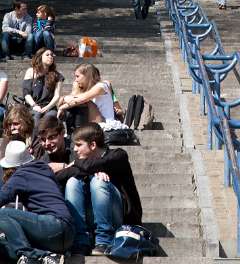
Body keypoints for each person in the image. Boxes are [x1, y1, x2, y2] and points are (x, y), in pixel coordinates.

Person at [57, 123, 142, 256]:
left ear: (92, 145)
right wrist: (88, 171)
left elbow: (98, 164)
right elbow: (60, 176)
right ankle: (81, 241)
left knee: (98, 181)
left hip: (118, 218)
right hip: (89, 217)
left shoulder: (118, 156)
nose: (74, 149)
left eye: (79, 145)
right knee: (73, 182)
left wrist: (78, 165)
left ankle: (104, 240)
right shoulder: (84, 162)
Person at [0, 140, 74, 264]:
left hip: (52, 226)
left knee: (3, 214)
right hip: (67, 235)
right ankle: (47, 257)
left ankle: (30, 255)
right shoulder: (45, 169)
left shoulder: (21, 175)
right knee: (5, 244)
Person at [57, 63, 126, 131]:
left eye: (77, 76)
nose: (76, 80)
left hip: (104, 124)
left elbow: (81, 99)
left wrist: (62, 105)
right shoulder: (87, 88)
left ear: (87, 76)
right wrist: (73, 92)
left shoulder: (102, 86)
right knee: (77, 105)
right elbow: (74, 99)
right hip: (93, 122)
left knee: (87, 102)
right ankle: (71, 132)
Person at [22, 49, 64, 126]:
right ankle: (35, 138)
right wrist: (34, 105)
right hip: (33, 105)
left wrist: (48, 107)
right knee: (36, 116)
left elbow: (57, 95)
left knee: (50, 118)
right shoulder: (31, 71)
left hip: (49, 106)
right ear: (40, 57)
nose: (50, 57)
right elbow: (26, 93)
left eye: (51, 55)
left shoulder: (57, 75)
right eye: (47, 55)